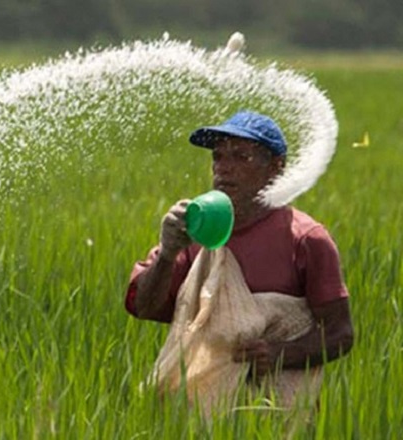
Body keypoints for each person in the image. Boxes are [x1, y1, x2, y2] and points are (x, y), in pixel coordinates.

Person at [125, 111, 353, 385]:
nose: (224, 167)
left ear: (275, 168)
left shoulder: (306, 240)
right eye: (218, 156)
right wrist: (167, 254)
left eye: (241, 157)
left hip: (278, 412)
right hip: (197, 409)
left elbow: (340, 334)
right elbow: (145, 308)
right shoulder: (195, 232)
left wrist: (280, 354)